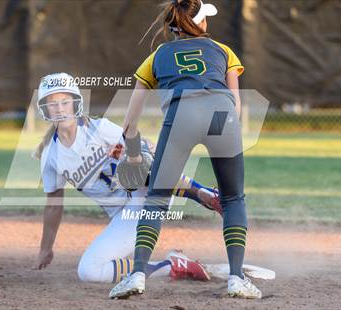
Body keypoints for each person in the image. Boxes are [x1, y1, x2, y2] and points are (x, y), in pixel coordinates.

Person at [109, 0, 261, 299]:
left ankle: (137, 275)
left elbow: (130, 122)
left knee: (156, 198)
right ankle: (237, 278)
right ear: (200, 23)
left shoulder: (158, 55)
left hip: (181, 115)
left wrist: (134, 152)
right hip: (222, 114)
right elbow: (236, 105)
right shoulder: (223, 50)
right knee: (232, 198)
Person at [32, 72, 221, 284]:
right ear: (44, 109)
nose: (59, 109)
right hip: (128, 216)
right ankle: (172, 266)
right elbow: (53, 206)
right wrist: (46, 249)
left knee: (133, 161)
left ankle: (205, 195)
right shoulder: (50, 156)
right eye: (53, 103)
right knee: (89, 271)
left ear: (75, 103)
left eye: (65, 102)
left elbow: (145, 146)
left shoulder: (98, 128)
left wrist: (133, 150)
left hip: (150, 190)